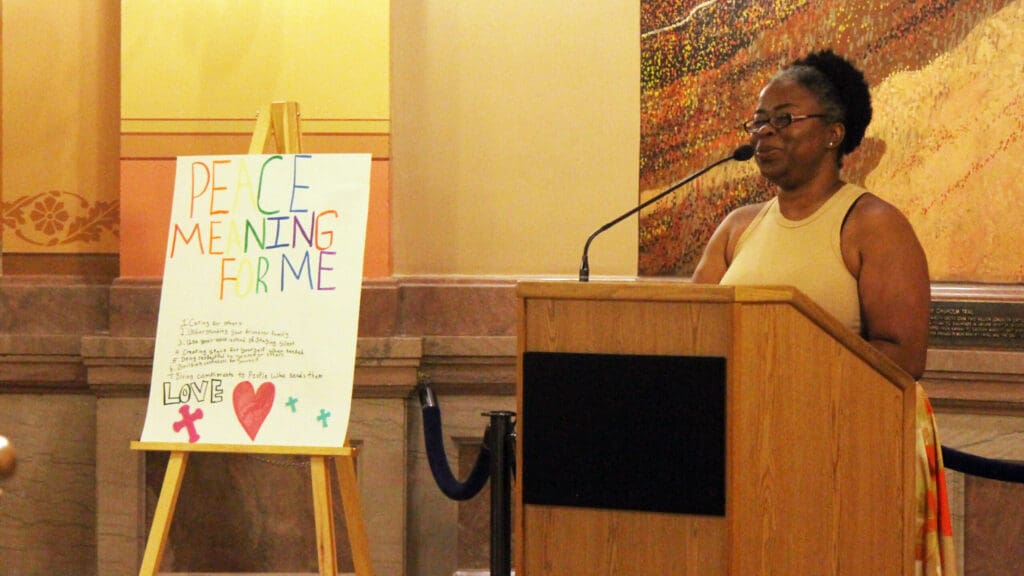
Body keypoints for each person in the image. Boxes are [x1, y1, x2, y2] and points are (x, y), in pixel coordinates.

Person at [692, 49, 956, 575]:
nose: (765, 133)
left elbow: (904, 355)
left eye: (784, 120)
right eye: (760, 121)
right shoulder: (738, 227)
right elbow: (690, 331)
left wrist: (792, 375)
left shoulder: (873, 224)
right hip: (746, 455)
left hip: (843, 458)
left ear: (834, 134)